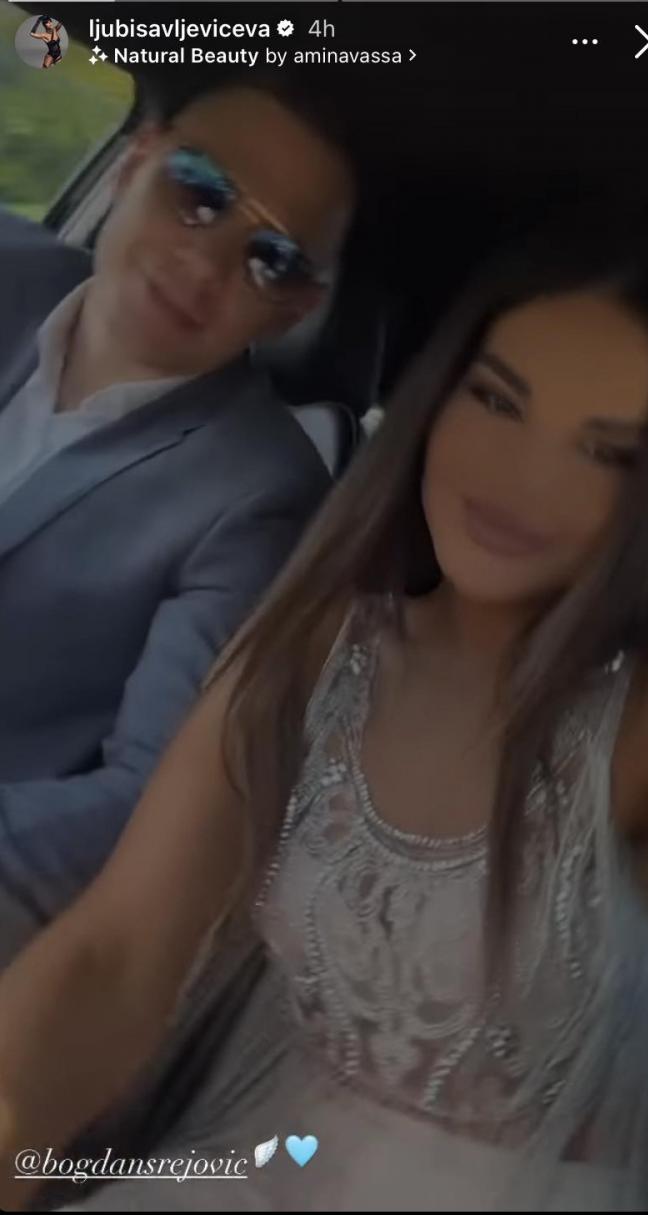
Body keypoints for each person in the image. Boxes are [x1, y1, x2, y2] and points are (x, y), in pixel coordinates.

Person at [1, 204, 648, 1214]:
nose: (520, 478)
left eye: (606, 453)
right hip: (262, 1169)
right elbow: (119, 952)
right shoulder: (318, 644)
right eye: (497, 400)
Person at [0, 75, 356, 965]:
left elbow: (148, 797)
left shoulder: (260, 491)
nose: (204, 265)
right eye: (199, 191)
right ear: (134, 164)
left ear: (296, 305)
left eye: (272, 257)